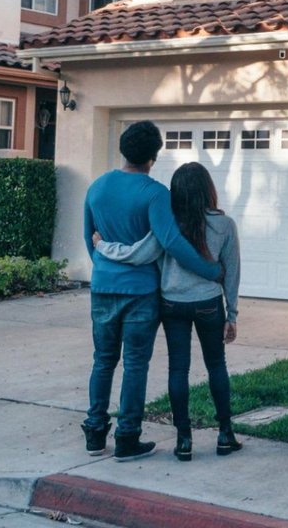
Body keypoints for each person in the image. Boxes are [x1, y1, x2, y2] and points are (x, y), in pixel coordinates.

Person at [82, 121, 223, 462]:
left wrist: (106, 270)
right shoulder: (155, 194)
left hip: (103, 287)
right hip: (141, 292)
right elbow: (172, 242)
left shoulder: (97, 188)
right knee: (134, 364)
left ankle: (95, 433)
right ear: (153, 156)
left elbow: (90, 239)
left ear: (123, 150)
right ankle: (128, 437)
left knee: (103, 361)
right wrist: (211, 270)